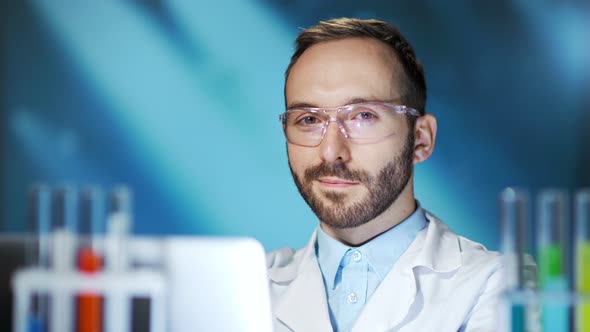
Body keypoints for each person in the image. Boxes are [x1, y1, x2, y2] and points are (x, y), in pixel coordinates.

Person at [266, 18, 505, 332]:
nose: (330, 151)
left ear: (421, 139)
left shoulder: (499, 286)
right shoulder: (245, 286)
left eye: (364, 116)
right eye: (309, 119)